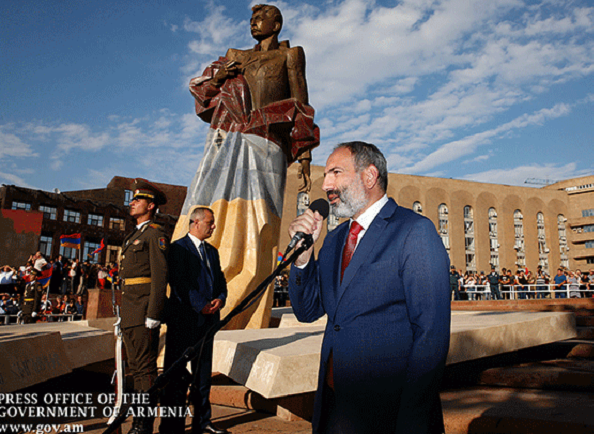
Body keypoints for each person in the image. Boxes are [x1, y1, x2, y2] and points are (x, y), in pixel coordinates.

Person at [287, 141, 450, 434]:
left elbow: (431, 333)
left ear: (369, 176)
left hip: (390, 412)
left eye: (336, 172)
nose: (326, 185)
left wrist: (412, 417)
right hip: (336, 409)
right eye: (326, 175)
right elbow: (308, 310)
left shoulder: (413, 230)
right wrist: (302, 259)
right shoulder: (335, 240)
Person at [180, 4, 319, 330]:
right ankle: (212, 290)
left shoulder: (291, 56)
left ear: (277, 23)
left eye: (260, 17)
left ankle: (249, 308)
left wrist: (305, 154)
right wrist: (220, 76)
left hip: (269, 146)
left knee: (261, 223)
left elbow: (301, 102)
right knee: (224, 219)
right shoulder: (235, 56)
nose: (254, 23)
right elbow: (202, 90)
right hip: (230, 145)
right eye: (251, 18)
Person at [160, 207, 228, 434]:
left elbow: (220, 281)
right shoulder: (178, 249)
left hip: (207, 325)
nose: (213, 226)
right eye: (210, 222)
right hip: (183, 322)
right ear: (196, 223)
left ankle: (202, 422)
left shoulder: (212, 252)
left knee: (202, 376)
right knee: (176, 376)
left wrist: (220, 298)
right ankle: (172, 426)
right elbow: (179, 284)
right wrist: (201, 305)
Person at [119, 178, 169, 434]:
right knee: (136, 369)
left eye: (138, 200)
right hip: (130, 311)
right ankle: (139, 420)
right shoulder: (133, 236)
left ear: (150, 206)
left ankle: (144, 423)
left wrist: (154, 313)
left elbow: (160, 277)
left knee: (145, 370)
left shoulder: (155, 234)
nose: (133, 203)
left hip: (143, 311)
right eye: (133, 199)